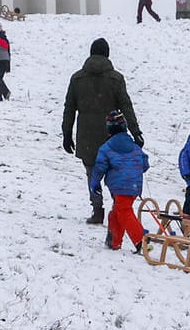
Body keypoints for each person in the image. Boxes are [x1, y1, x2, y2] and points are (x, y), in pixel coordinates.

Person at [61, 38, 142, 225]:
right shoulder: (115, 79)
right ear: (107, 54)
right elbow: (126, 106)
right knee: (115, 172)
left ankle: (97, 210)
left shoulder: (77, 78)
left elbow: (69, 108)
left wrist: (67, 133)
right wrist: (135, 131)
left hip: (86, 135)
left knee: (92, 174)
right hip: (112, 136)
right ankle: (119, 208)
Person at [90, 110, 150, 252]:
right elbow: (145, 163)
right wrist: (132, 172)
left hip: (119, 186)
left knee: (124, 211)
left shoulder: (107, 148)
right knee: (117, 212)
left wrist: (95, 182)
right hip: (134, 186)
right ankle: (114, 241)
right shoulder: (135, 147)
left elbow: (99, 167)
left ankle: (142, 240)